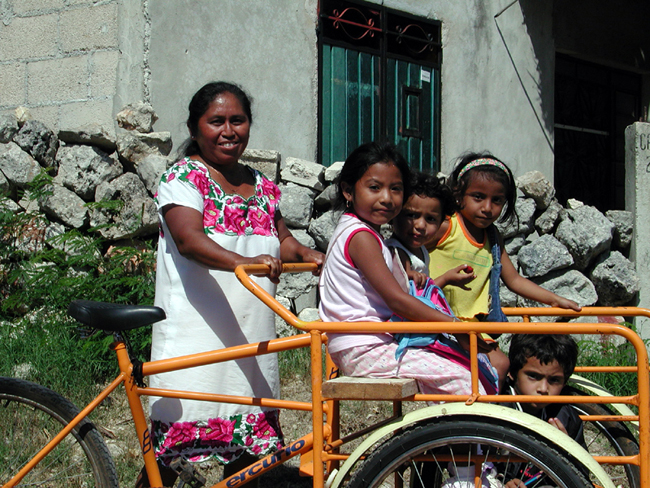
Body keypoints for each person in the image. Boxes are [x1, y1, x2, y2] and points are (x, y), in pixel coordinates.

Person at [141, 81, 324, 487]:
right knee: (172, 448)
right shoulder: (183, 178)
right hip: (195, 334)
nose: (228, 131)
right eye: (216, 121)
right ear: (194, 128)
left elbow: (282, 240)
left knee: (247, 454)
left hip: (250, 332)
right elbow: (189, 241)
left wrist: (306, 253)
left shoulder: (262, 185)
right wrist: (245, 263)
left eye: (237, 121)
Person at [318, 141, 495, 402]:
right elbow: (396, 300)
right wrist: (456, 327)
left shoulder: (365, 232)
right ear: (348, 190)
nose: (386, 198)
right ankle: (459, 429)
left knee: (468, 366)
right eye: (374, 187)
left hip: (373, 342)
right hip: (364, 348)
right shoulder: (361, 237)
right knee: (464, 381)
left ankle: (446, 427)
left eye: (396, 189)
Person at [428, 153, 581, 387]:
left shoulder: (493, 237)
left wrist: (555, 300)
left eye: (497, 200)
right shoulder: (446, 226)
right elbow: (410, 250)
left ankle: (485, 409)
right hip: (438, 318)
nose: (487, 208)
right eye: (478, 197)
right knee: (492, 366)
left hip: (472, 326)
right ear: (458, 194)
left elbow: (514, 280)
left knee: (501, 365)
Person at [501, 334, 586, 488]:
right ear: (512, 372)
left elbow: (582, 475)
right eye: (533, 376)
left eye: (554, 380)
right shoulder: (497, 408)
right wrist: (502, 481)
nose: (543, 389)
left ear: (565, 382)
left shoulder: (565, 417)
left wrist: (566, 452)